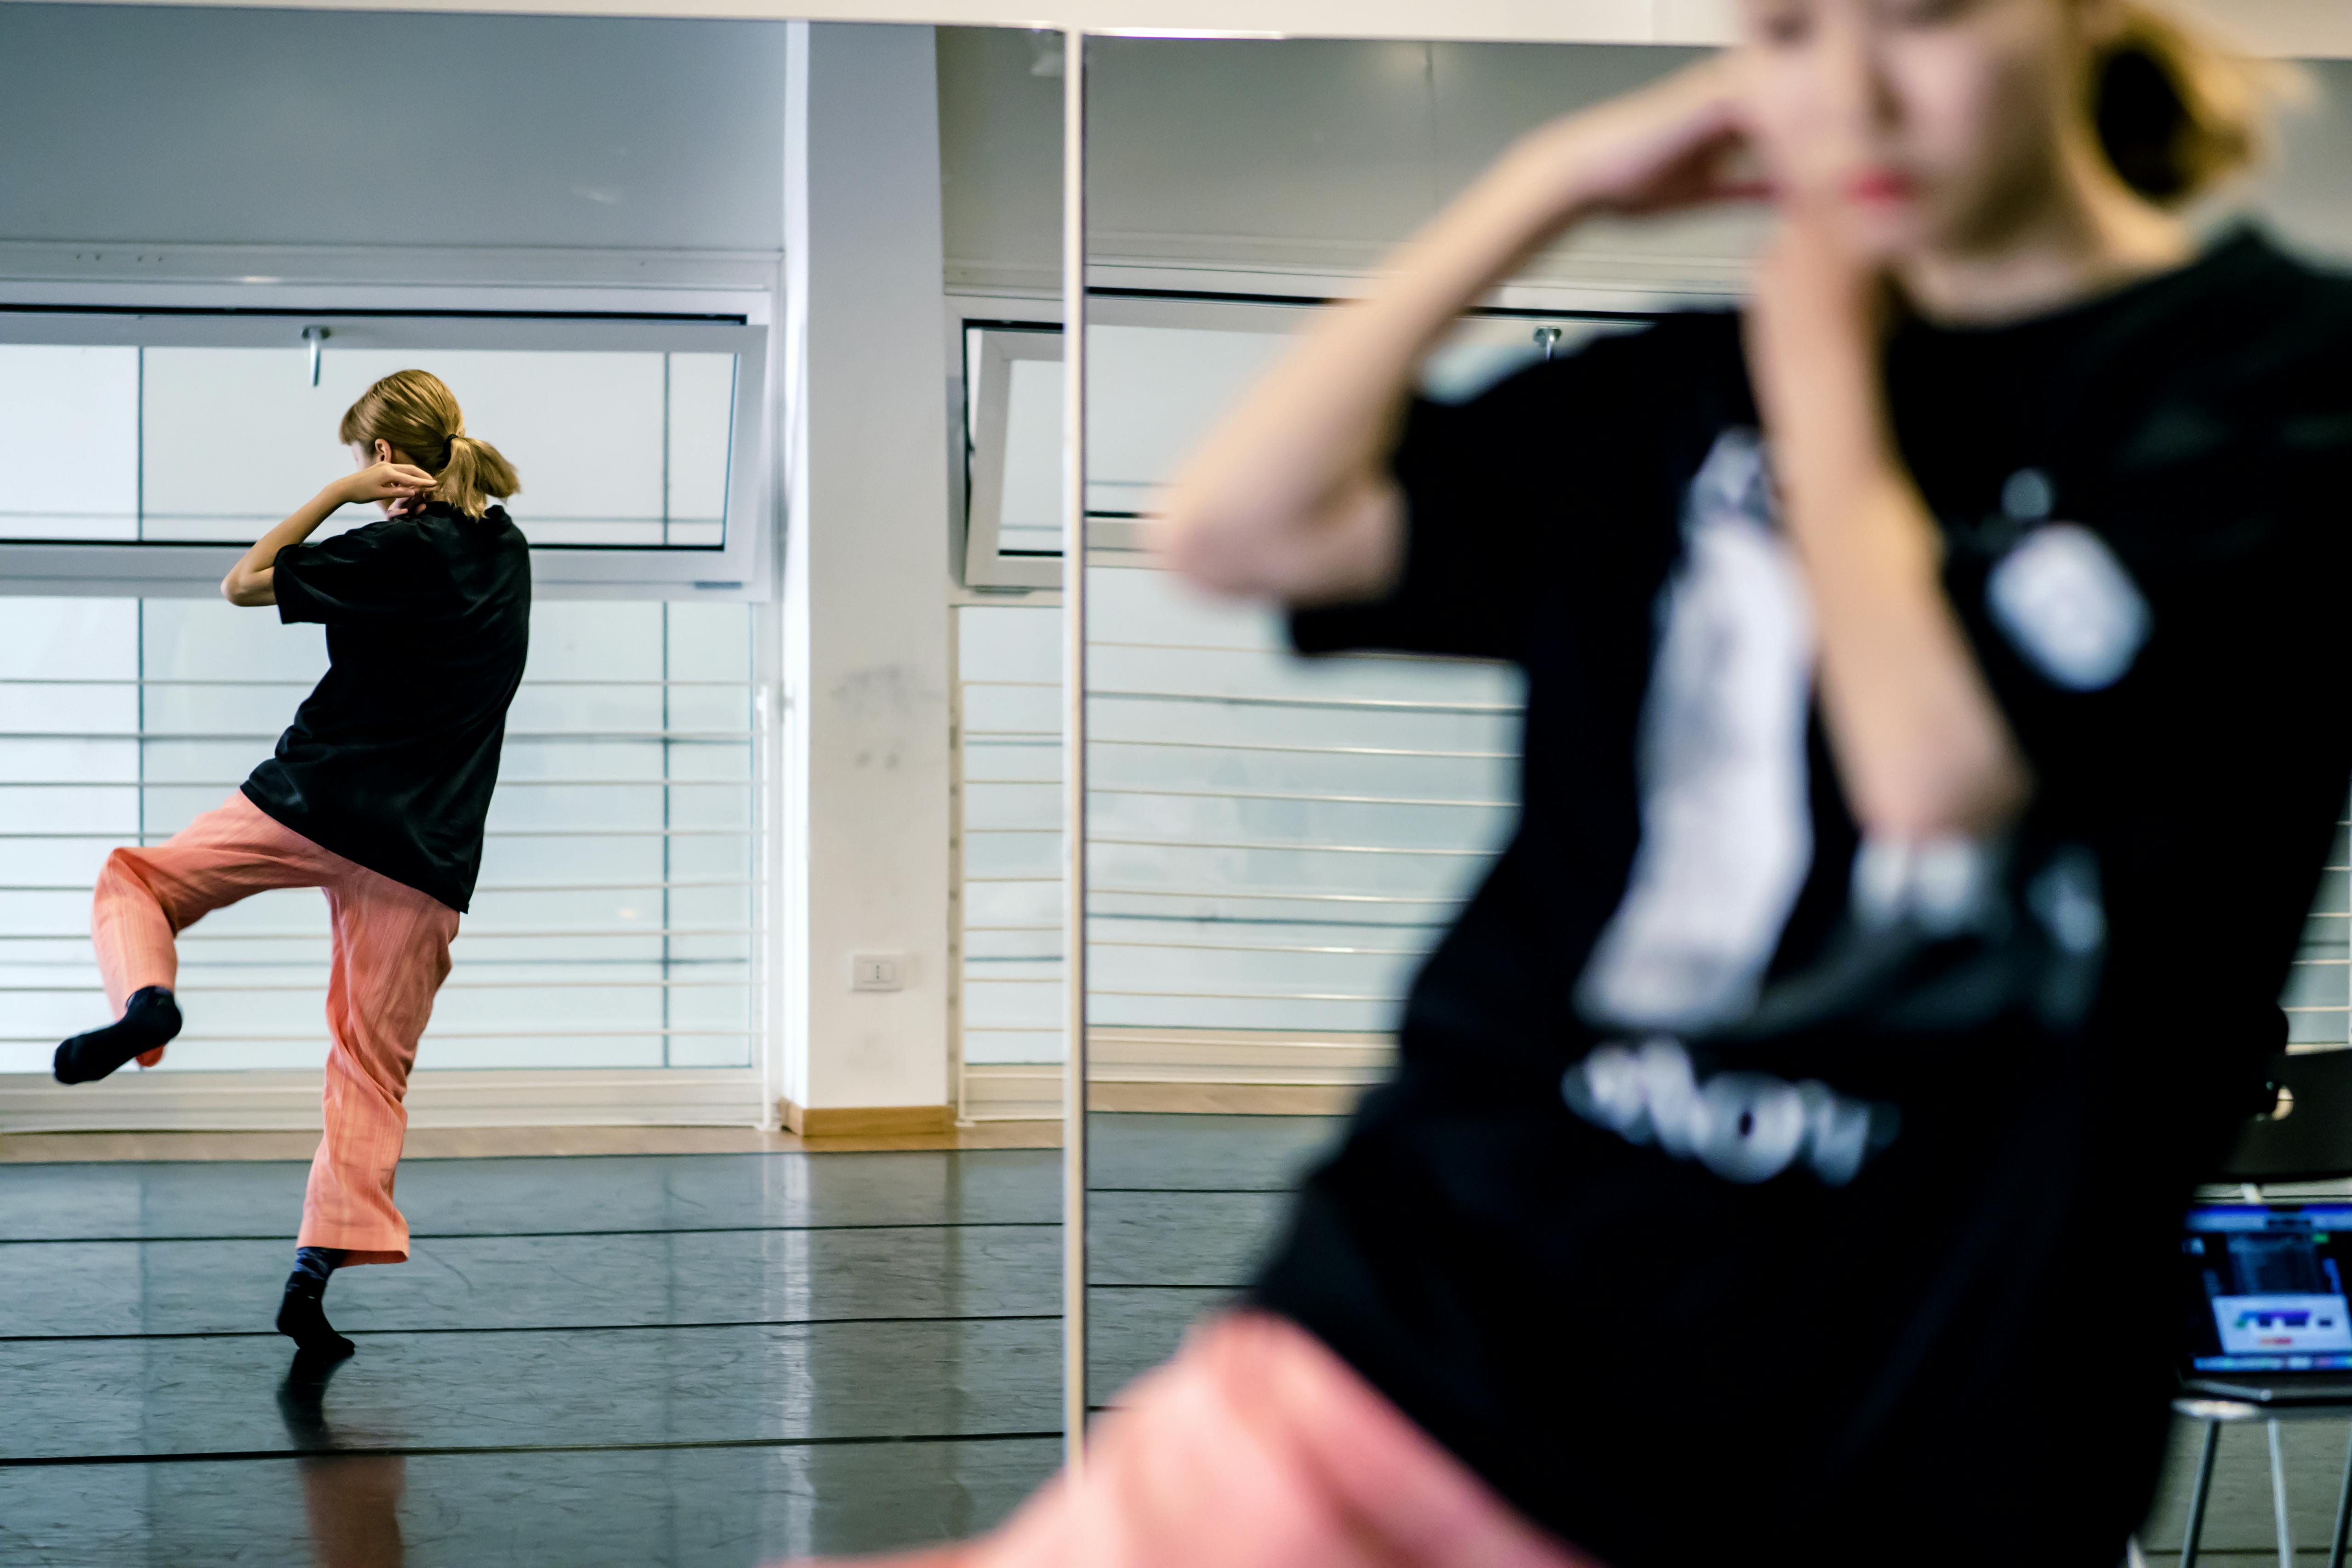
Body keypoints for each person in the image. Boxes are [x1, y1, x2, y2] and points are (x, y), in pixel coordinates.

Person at [796, 1, 2352, 1565]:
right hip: (1422, 1332)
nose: (1852, 95)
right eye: (1786, 33)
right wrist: (1542, 185)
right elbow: (1233, 529)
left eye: (1921, 18)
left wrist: (1815, 375)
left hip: (1887, 1431)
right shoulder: (1686, 385)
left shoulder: (2273, 381)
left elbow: (1936, 776)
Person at [54, 369, 530, 1364]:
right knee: (367, 1071)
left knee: (138, 881)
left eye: (360, 457)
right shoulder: (504, 553)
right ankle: (313, 1275)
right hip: (424, 854)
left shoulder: (386, 546)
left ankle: (149, 1000)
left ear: (382, 460)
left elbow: (244, 580)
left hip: (310, 802)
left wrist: (333, 502)